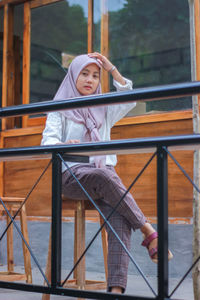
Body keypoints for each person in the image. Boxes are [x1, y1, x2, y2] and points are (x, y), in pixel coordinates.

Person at [41, 52, 173, 294]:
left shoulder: (104, 109)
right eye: (84, 73)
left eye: (95, 75)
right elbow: (46, 143)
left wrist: (112, 69)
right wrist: (63, 146)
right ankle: (148, 230)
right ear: (73, 75)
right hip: (71, 177)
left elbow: (128, 97)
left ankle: (116, 291)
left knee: (120, 217)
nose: (90, 79)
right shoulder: (58, 107)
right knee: (105, 176)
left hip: (103, 177)